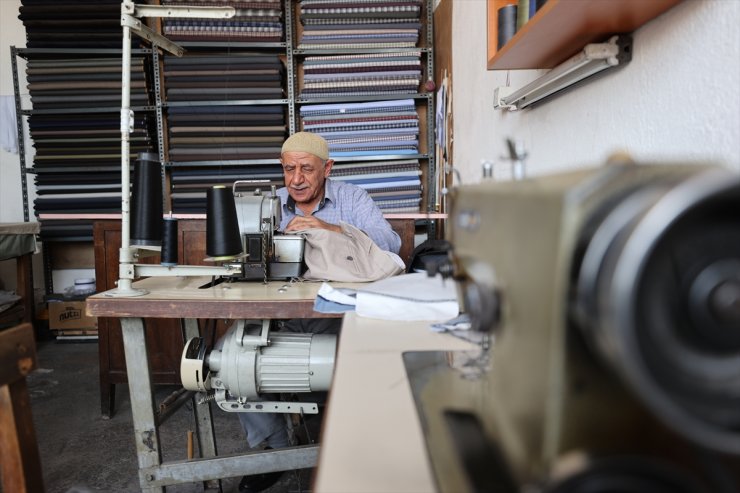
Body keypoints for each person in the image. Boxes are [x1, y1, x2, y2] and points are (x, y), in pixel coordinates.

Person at [236, 132, 401, 493]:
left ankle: (349, 448)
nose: (295, 179)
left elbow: (390, 242)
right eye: (288, 169)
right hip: (281, 312)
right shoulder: (270, 202)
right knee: (233, 358)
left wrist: (329, 228)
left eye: (306, 169)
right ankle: (277, 450)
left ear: (327, 168)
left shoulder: (351, 197)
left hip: (336, 314)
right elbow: (239, 252)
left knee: (344, 361)